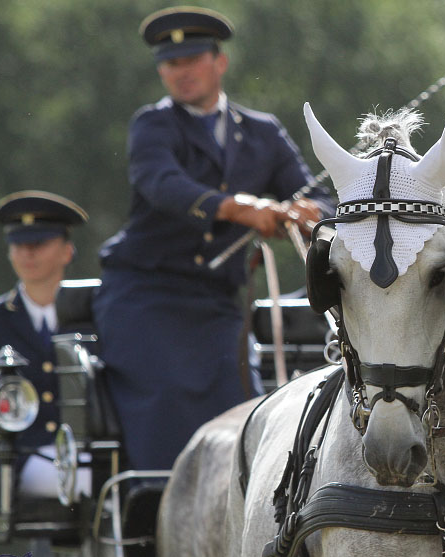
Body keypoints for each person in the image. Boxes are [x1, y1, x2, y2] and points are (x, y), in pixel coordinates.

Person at [93, 7, 333, 471]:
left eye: (192, 59)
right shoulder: (153, 125)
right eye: (170, 63)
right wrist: (243, 208)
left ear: (219, 62)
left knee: (242, 410)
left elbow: (319, 199)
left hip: (218, 304)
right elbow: (162, 184)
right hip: (146, 298)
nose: (181, 72)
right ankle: (153, 514)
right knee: (164, 405)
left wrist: (306, 215)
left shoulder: (263, 132)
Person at [0, 191, 87, 523]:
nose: (27, 254)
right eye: (19, 245)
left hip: (87, 456)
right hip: (21, 464)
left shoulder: (94, 315)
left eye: (39, 243)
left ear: (67, 250)